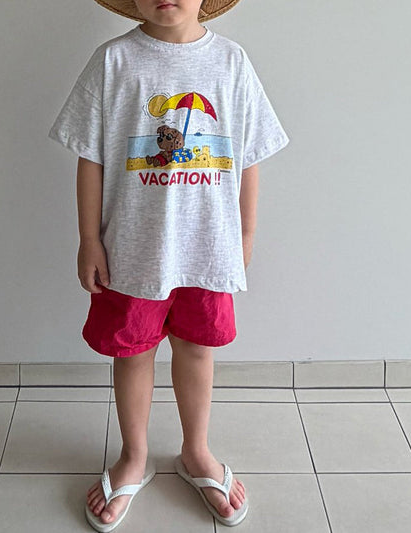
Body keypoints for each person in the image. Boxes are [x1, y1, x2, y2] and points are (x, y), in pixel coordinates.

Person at [48, 0, 289, 530]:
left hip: (208, 246)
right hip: (133, 250)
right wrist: (89, 239)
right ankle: (133, 455)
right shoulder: (113, 61)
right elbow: (90, 157)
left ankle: (196, 450)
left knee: (198, 347)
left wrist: (245, 234)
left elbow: (248, 155)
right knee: (132, 352)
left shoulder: (231, 61)